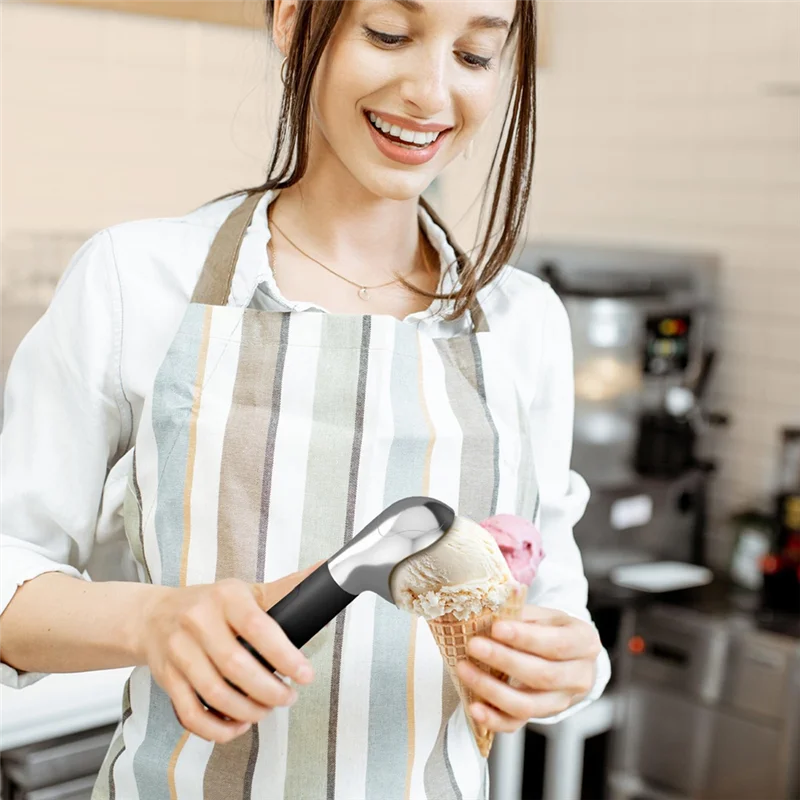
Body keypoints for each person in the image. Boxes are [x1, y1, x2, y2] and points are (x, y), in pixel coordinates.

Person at [0, 0, 610, 797]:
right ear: (293, 19)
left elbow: (560, 601)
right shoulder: (136, 280)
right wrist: (152, 620)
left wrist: (572, 666)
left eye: (474, 55)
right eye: (389, 34)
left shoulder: (524, 322)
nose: (430, 93)